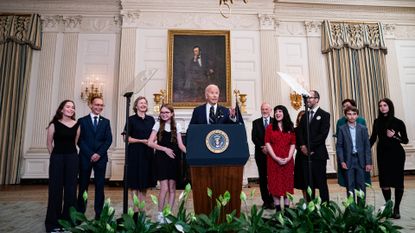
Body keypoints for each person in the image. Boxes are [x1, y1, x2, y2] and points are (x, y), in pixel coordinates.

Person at [370, 98, 408, 219]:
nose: (382, 107)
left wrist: (395, 136)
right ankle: (389, 206)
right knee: (384, 182)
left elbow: (405, 140)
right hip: (382, 154)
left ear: (389, 106)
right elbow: (372, 139)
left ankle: (396, 208)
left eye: (385, 105)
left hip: (397, 154)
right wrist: (362, 148)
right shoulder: (377, 122)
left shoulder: (398, 122)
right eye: (380, 105)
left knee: (398, 182)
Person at [45, 100, 80, 232]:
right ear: (61, 109)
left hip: (72, 158)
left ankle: (68, 222)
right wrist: (55, 157)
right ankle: (53, 223)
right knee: (55, 190)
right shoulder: (53, 125)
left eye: (73, 107)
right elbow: (49, 144)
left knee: (71, 191)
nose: (71, 109)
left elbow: (75, 143)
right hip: (57, 159)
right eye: (68, 106)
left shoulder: (78, 125)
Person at [148, 104, 187, 222]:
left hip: (174, 159)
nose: (164, 114)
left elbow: (180, 145)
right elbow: (150, 142)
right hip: (161, 159)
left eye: (167, 112)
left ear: (172, 114)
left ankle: (168, 214)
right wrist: (165, 149)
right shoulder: (157, 125)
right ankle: (160, 215)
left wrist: (191, 154)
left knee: (172, 188)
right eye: (162, 112)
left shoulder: (177, 126)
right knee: (164, 188)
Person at [77, 96, 113, 219]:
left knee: (100, 186)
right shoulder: (82, 121)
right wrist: (90, 154)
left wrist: (98, 154)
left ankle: (99, 214)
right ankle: (80, 213)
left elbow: (109, 140)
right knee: (83, 186)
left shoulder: (106, 121)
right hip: (85, 158)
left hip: (101, 158)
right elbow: (79, 140)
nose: (99, 107)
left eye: (101, 105)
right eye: (97, 105)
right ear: (91, 105)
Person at [297, 90, 331, 202]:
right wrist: (302, 146)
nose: (308, 100)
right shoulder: (304, 115)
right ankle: (310, 207)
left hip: (318, 154)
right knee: (308, 184)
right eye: (307, 98)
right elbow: (300, 132)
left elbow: (323, 135)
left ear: (317, 99)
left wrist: (309, 147)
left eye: (310, 97)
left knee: (321, 182)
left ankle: (325, 207)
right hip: (305, 155)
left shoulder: (325, 115)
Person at [126, 96, 156, 212]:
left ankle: (142, 208)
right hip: (134, 152)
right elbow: (126, 138)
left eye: (145, 103)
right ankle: (135, 208)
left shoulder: (151, 119)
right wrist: (141, 141)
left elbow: (154, 136)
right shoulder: (131, 119)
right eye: (141, 103)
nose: (143, 105)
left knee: (145, 181)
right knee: (134, 181)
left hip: (147, 153)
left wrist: (153, 142)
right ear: (136, 106)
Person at [336, 106, 372, 202]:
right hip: (348, 160)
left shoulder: (363, 128)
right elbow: (339, 146)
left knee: (361, 186)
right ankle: (352, 209)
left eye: (354, 114)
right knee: (350, 185)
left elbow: (367, 146)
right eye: (349, 114)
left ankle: (361, 209)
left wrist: (368, 162)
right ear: (346, 116)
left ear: (357, 115)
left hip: (361, 160)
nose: (352, 116)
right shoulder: (342, 129)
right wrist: (342, 161)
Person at [264, 105, 296, 211]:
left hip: (288, 161)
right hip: (273, 161)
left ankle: (287, 210)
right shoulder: (270, 127)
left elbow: (293, 143)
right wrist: (275, 158)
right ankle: (278, 209)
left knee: (287, 184)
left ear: (284, 113)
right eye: (276, 112)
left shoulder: (290, 127)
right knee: (275, 184)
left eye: (280, 111)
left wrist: (289, 157)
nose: (277, 113)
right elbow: (267, 143)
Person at [251, 102, 274, 209]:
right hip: (260, 154)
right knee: (263, 178)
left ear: (270, 110)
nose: (264, 111)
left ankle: (273, 200)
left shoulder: (275, 122)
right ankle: (266, 201)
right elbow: (254, 137)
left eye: (266, 109)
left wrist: (269, 148)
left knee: (273, 178)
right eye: (262, 109)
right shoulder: (256, 122)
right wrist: (262, 146)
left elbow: (278, 137)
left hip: (273, 154)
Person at [293, 110, 307, 199]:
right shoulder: (295, 130)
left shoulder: (310, 129)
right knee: (302, 181)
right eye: (300, 116)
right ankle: (305, 199)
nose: (301, 118)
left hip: (310, 156)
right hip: (300, 157)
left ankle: (312, 200)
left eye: (304, 116)